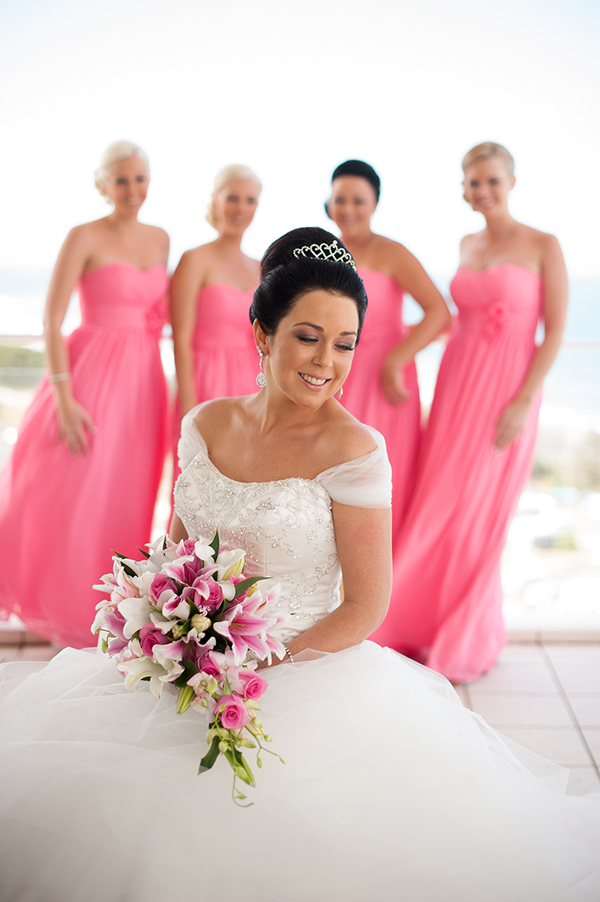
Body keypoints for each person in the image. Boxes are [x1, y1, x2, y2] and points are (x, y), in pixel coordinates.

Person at [0, 228, 596, 902]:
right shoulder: (202, 425)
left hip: (298, 674)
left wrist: (255, 666)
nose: (327, 362)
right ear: (261, 331)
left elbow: (367, 606)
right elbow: (170, 555)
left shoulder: (356, 451)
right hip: (184, 663)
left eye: (345, 344)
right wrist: (161, 633)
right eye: (308, 337)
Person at [371, 142, 568, 683]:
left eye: (491, 181)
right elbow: (449, 316)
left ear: (511, 181)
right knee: (438, 500)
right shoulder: (466, 241)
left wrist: (524, 399)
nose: (482, 191)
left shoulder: (543, 243)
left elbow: (554, 332)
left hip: (506, 391)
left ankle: (460, 633)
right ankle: (413, 622)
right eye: (473, 182)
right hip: (457, 383)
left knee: (478, 511)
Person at [0, 140, 169, 649]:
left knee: (126, 495)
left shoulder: (162, 239)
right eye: (121, 180)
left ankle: (115, 618)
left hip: (144, 381)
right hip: (90, 374)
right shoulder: (83, 235)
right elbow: (51, 320)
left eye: (140, 178)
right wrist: (64, 396)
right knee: (76, 497)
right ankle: (70, 619)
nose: (132, 190)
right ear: (102, 185)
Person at [325, 160, 450, 540]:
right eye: (340, 199)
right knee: (331, 470)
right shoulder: (324, 250)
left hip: (383, 380)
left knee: (378, 479)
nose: (348, 209)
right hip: (336, 371)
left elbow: (439, 313)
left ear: (375, 204)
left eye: (359, 200)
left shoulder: (393, 252)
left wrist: (397, 358)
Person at [170, 164, 261, 484]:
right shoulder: (194, 259)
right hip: (205, 380)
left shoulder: (261, 267)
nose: (241, 208)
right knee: (197, 486)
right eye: (233, 198)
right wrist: (189, 409)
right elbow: (179, 339)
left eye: (250, 200)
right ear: (215, 201)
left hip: (253, 384)